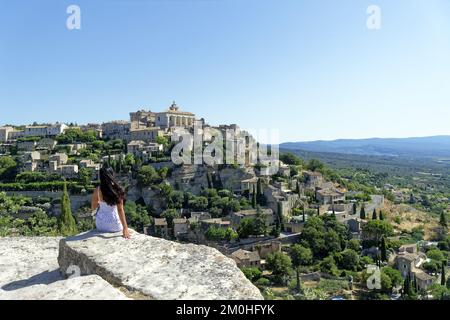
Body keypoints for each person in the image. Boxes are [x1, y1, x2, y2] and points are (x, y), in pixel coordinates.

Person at [91, 167, 130, 239]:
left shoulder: (97, 190)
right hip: (115, 225)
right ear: (112, 175)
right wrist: (125, 228)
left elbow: (94, 207)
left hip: (101, 224)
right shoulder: (117, 190)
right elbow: (120, 210)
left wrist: (95, 216)